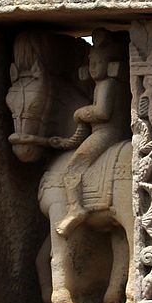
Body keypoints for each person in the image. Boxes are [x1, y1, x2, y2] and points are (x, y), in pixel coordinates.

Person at [57, 30, 130, 236]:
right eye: (91, 63)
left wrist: (81, 113)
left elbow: (102, 112)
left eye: (97, 63)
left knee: (73, 166)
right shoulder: (105, 85)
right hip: (112, 132)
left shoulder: (107, 85)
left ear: (111, 66)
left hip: (105, 133)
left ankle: (75, 208)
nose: (92, 68)